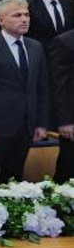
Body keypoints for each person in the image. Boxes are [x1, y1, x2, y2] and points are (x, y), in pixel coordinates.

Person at [0, 0, 50, 185]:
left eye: (26, 15)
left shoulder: (35, 47)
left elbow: (42, 87)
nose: (24, 19)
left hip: (26, 125)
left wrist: (41, 123)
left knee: (14, 178)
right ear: (1, 20)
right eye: (17, 15)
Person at [47, 25, 74, 184]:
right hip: (71, 119)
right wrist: (65, 121)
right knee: (68, 168)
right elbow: (58, 86)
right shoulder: (64, 42)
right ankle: (60, 206)